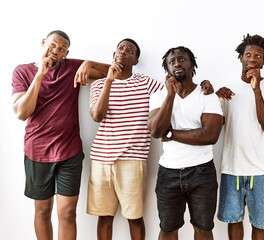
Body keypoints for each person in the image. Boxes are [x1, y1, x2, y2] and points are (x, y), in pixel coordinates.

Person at [87, 40, 214, 240]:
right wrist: (107, 78)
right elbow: (97, 115)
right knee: (104, 217)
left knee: (135, 217)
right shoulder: (99, 85)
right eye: (120, 48)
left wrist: (205, 84)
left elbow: (177, 84)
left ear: (136, 60)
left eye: (130, 51)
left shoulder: (147, 83)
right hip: (101, 158)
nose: (124, 51)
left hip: (133, 157)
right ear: (113, 54)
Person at [11, 30, 110, 240]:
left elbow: (114, 71)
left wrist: (88, 63)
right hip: (36, 153)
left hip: (69, 152)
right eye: (53, 45)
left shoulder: (72, 68)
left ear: (67, 53)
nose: (56, 51)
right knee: (43, 211)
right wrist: (40, 75)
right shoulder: (22, 71)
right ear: (43, 42)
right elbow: (21, 112)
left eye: (62, 49)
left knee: (66, 212)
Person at [147, 46, 223, 240]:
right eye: (171, 62)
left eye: (182, 59)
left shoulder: (208, 96)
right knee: (167, 229)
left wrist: (171, 134)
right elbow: (156, 131)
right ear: (167, 70)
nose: (177, 63)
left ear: (192, 64)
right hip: (168, 173)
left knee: (204, 230)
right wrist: (170, 95)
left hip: (202, 172)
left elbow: (210, 135)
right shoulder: (158, 96)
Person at [215, 34, 264, 240]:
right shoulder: (227, 89)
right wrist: (214, 96)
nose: (252, 59)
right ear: (241, 58)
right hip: (232, 167)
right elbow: (217, 126)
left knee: (260, 224)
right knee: (233, 221)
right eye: (248, 54)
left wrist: (256, 90)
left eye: (258, 56)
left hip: (261, 169)